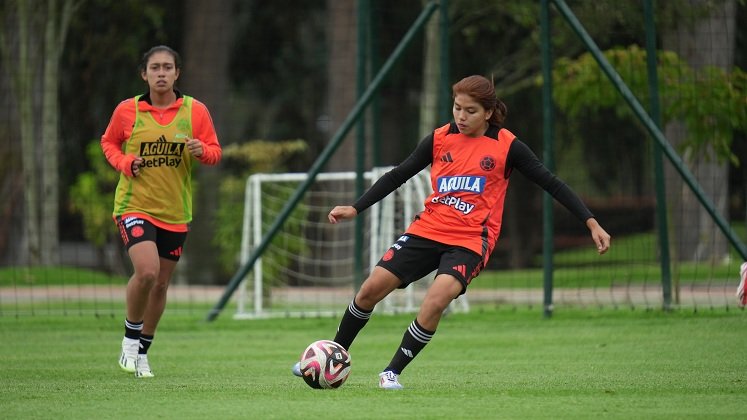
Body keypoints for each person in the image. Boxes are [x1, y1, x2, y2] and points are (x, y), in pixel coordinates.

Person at [292, 75, 611, 389]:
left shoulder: (506, 146)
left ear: (487, 112)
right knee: (370, 289)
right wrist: (356, 207)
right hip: (427, 229)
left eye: (470, 110)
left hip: (471, 240)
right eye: (457, 108)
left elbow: (551, 182)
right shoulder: (439, 138)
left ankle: (392, 372)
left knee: (436, 299)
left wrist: (590, 221)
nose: (461, 116)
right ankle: (329, 355)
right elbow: (398, 174)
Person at [101, 45, 222, 378]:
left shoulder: (195, 111)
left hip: (175, 212)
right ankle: (129, 340)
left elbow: (215, 152)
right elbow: (108, 142)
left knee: (161, 285)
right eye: (155, 68)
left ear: (177, 73)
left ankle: (142, 352)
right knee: (148, 272)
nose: (161, 73)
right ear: (144, 74)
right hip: (134, 206)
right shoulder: (128, 111)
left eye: (168, 67)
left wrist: (202, 151)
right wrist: (125, 162)